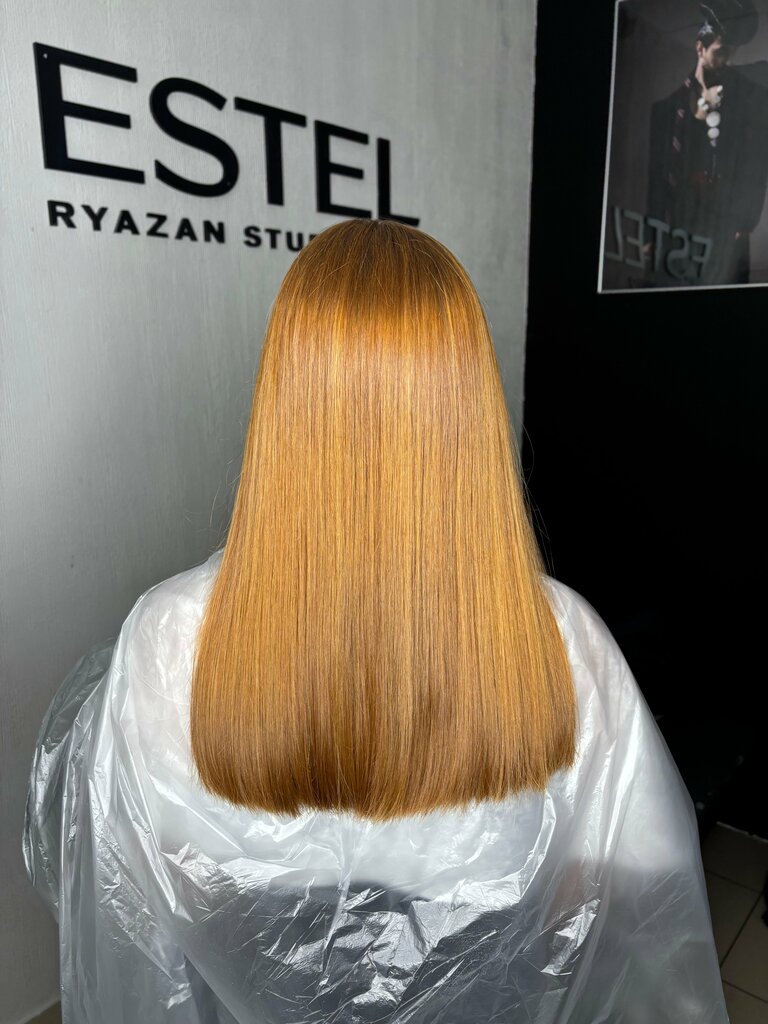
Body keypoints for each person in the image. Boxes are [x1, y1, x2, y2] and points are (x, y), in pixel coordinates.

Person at [23, 218, 727, 1022]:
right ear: (468, 402)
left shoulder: (167, 640)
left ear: (285, 392)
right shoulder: (562, 643)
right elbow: (631, 880)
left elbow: (141, 898)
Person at [646, 0, 768, 285]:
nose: (726, 61)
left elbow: (757, 158)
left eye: (731, 53)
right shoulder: (666, 111)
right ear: (700, 48)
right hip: (679, 224)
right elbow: (656, 177)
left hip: (725, 227)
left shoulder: (745, 98)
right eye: (720, 52)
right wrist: (652, 233)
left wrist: (746, 219)